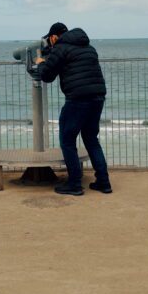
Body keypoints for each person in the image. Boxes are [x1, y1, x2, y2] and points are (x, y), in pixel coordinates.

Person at [34, 22, 112, 196]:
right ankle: (103, 182)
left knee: (67, 141)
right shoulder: (89, 47)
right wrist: (51, 54)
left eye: (51, 39)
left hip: (77, 99)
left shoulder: (60, 48)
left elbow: (46, 76)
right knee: (91, 139)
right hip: (98, 97)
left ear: (54, 37)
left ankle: (75, 184)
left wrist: (40, 61)